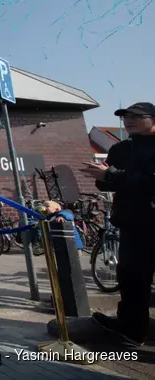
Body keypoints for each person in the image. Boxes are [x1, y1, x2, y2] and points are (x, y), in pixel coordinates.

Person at [84, 102, 155, 348]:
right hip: (131, 223)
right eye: (126, 116)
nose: (129, 120)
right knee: (132, 278)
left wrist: (112, 175)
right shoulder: (121, 148)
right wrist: (102, 177)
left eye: (137, 116)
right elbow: (109, 183)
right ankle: (131, 329)